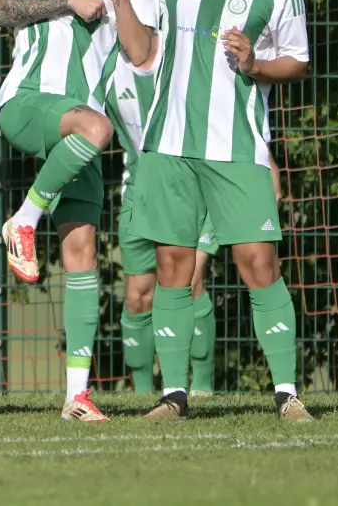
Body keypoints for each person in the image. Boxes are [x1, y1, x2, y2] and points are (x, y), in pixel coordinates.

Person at [132, 0, 313, 421]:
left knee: (257, 261)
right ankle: (174, 396)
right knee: (172, 262)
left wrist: (255, 63)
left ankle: (287, 393)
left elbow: (298, 62)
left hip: (238, 146)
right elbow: (139, 40)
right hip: (167, 140)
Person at [0, 0, 156, 421]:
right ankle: (24, 220)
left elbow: (140, 53)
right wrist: (65, 1)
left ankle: (76, 396)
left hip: (83, 132)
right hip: (30, 102)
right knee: (96, 126)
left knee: (83, 251)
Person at [106, 43, 287, 399]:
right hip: (140, 192)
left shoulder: (188, 50)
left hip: (199, 183)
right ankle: (143, 394)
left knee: (192, 279)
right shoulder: (108, 63)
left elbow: (234, 107)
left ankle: (202, 386)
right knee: (136, 297)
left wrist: (266, 158)